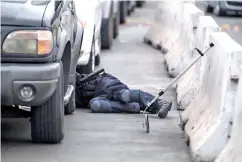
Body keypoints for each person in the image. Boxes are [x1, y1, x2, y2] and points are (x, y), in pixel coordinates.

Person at [75, 71, 172, 118]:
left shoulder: (64, 75)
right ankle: (138, 107)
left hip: (101, 83)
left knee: (124, 95)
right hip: (96, 98)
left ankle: (158, 103)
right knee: (96, 106)